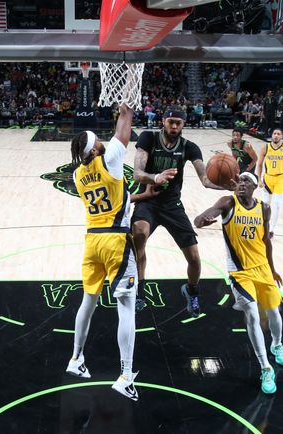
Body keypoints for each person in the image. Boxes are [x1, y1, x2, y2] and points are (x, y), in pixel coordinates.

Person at [66, 103, 157, 401]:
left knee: (88, 302)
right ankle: (126, 376)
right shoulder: (111, 160)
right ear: (94, 151)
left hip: (92, 241)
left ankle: (76, 359)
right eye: (98, 141)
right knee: (126, 307)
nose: (103, 142)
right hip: (116, 242)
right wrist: (127, 101)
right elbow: (125, 125)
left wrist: (144, 192)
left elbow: (118, 200)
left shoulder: (79, 175)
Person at [193, 172, 283, 394]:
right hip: (239, 272)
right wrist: (204, 221)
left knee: (274, 312)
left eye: (247, 181)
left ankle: (277, 345)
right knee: (253, 315)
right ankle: (265, 368)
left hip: (263, 268)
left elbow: (266, 242)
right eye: (240, 181)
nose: (242, 184)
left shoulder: (264, 208)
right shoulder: (228, 202)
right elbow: (198, 220)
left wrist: (273, 270)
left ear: (256, 186)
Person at [132, 108, 224, 316]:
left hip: (172, 205)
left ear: (183, 124)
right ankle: (139, 292)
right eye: (171, 122)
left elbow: (206, 180)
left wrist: (228, 185)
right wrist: (156, 177)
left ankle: (191, 291)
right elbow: (138, 174)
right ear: (163, 121)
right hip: (148, 200)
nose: (174, 126)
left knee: (194, 257)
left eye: (178, 123)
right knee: (138, 235)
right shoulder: (148, 138)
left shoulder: (190, 147)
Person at [254, 128, 283, 237]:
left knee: (277, 205)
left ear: (282, 136)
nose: (276, 135)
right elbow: (259, 164)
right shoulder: (265, 147)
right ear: (272, 135)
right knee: (265, 203)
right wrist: (259, 179)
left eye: (278, 134)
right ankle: (263, 226)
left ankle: (271, 229)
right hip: (267, 178)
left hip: (280, 178)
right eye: (274, 133)